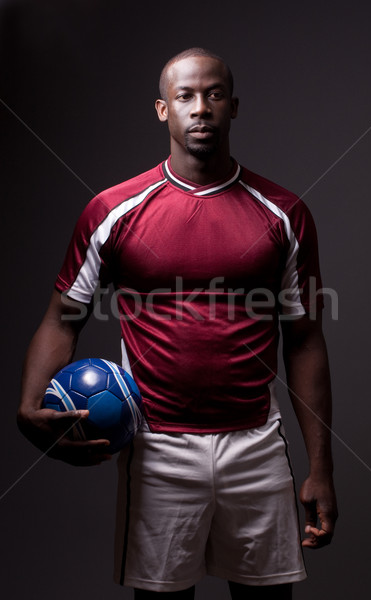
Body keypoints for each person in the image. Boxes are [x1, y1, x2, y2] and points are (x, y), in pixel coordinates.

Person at [18, 48, 338, 599]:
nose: (201, 108)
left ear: (233, 107)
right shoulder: (112, 211)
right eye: (186, 96)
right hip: (157, 446)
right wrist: (29, 407)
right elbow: (61, 319)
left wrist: (322, 467)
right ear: (163, 110)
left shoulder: (284, 213)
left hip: (255, 445)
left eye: (214, 95)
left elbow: (304, 339)